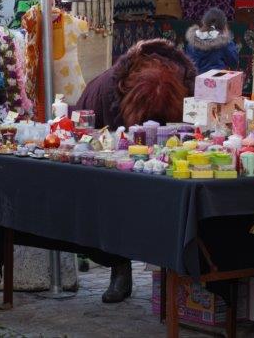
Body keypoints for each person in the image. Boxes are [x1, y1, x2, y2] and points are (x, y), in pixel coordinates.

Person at [73, 39, 197, 302]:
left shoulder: (185, 85)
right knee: (113, 204)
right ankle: (119, 268)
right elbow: (87, 136)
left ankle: (170, 274)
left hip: (162, 151)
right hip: (108, 146)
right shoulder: (106, 93)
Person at [185, 7, 239, 74]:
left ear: (204, 22)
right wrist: (226, 35)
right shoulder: (225, 42)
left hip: (195, 79)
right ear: (223, 24)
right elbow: (234, 63)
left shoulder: (192, 42)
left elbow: (188, 65)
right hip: (216, 79)